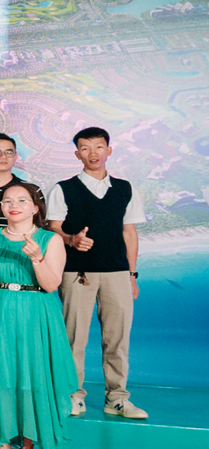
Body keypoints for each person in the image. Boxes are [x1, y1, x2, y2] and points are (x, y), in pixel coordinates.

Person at [0, 181, 74, 449]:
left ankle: (27, 448)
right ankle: (2, 444)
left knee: (32, 378)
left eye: (22, 200)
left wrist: (37, 258)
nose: (14, 205)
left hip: (36, 314)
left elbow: (51, 285)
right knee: (0, 378)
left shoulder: (50, 240)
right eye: (7, 200)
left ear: (35, 207)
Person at [44, 126, 147, 420]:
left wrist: (132, 275)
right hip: (77, 272)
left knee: (118, 339)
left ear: (109, 150)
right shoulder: (63, 189)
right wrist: (71, 239)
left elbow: (129, 233)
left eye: (99, 147)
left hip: (117, 272)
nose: (93, 153)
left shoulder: (125, 189)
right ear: (77, 154)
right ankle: (72, 396)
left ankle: (117, 398)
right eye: (85, 148)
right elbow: (53, 229)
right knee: (74, 338)